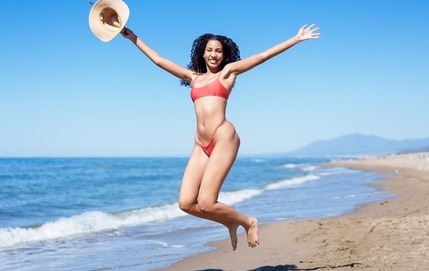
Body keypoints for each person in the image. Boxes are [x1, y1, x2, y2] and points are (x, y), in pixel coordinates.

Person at [120, 24, 320, 250]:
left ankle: (248, 222)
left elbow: (262, 56)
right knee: (185, 203)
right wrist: (133, 38)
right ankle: (229, 222)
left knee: (206, 202)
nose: (213, 54)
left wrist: (296, 39)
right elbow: (159, 60)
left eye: (218, 51)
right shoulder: (193, 78)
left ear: (224, 55)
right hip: (200, 142)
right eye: (209, 50)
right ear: (202, 53)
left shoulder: (228, 73)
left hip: (223, 136)